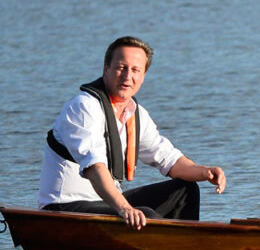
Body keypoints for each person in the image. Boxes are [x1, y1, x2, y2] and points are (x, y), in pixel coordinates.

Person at [39, 36, 227, 230]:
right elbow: (94, 167)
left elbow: (169, 159)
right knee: (145, 214)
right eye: (121, 67)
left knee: (185, 190)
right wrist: (125, 208)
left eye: (136, 70)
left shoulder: (136, 114)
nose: (127, 76)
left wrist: (205, 171)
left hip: (104, 203)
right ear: (106, 69)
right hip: (64, 208)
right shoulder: (83, 107)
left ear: (143, 76)